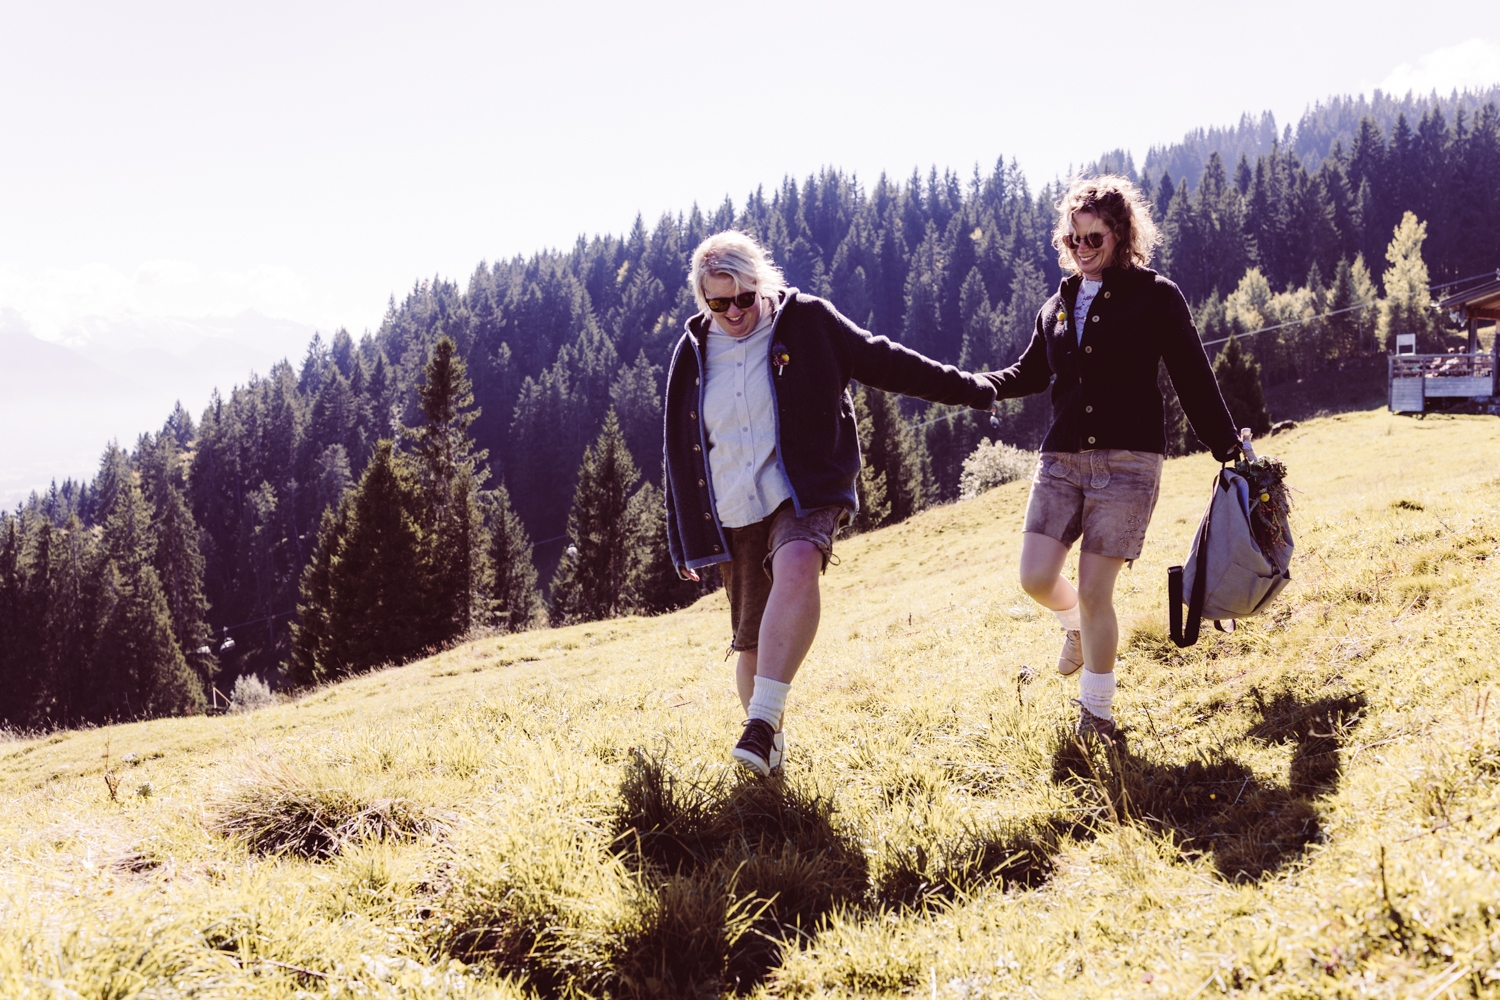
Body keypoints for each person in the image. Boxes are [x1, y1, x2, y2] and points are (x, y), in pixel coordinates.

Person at [664, 230, 998, 775]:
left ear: (760, 284)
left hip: (805, 487)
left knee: (799, 564)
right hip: (732, 502)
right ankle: (769, 757)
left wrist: (973, 387)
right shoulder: (694, 351)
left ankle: (761, 723)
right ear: (703, 300)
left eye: (744, 298)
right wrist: (682, 533)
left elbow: (886, 361)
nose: (734, 312)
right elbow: (678, 444)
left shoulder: (809, 321)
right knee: (750, 638)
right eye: (718, 302)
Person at [982, 176, 1242, 746]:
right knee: (1034, 577)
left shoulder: (1157, 296)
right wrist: (974, 386)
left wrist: (1230, 448)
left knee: (1097, 591)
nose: (1081, 249)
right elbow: (1028, 374)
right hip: (1061, 459)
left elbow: (1192, 377)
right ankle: (1073, 627)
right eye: (1073, 239)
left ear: (1121, 235)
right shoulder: (1057, 303)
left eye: (1092, 237)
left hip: (1129, 463)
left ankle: (1097, 716)